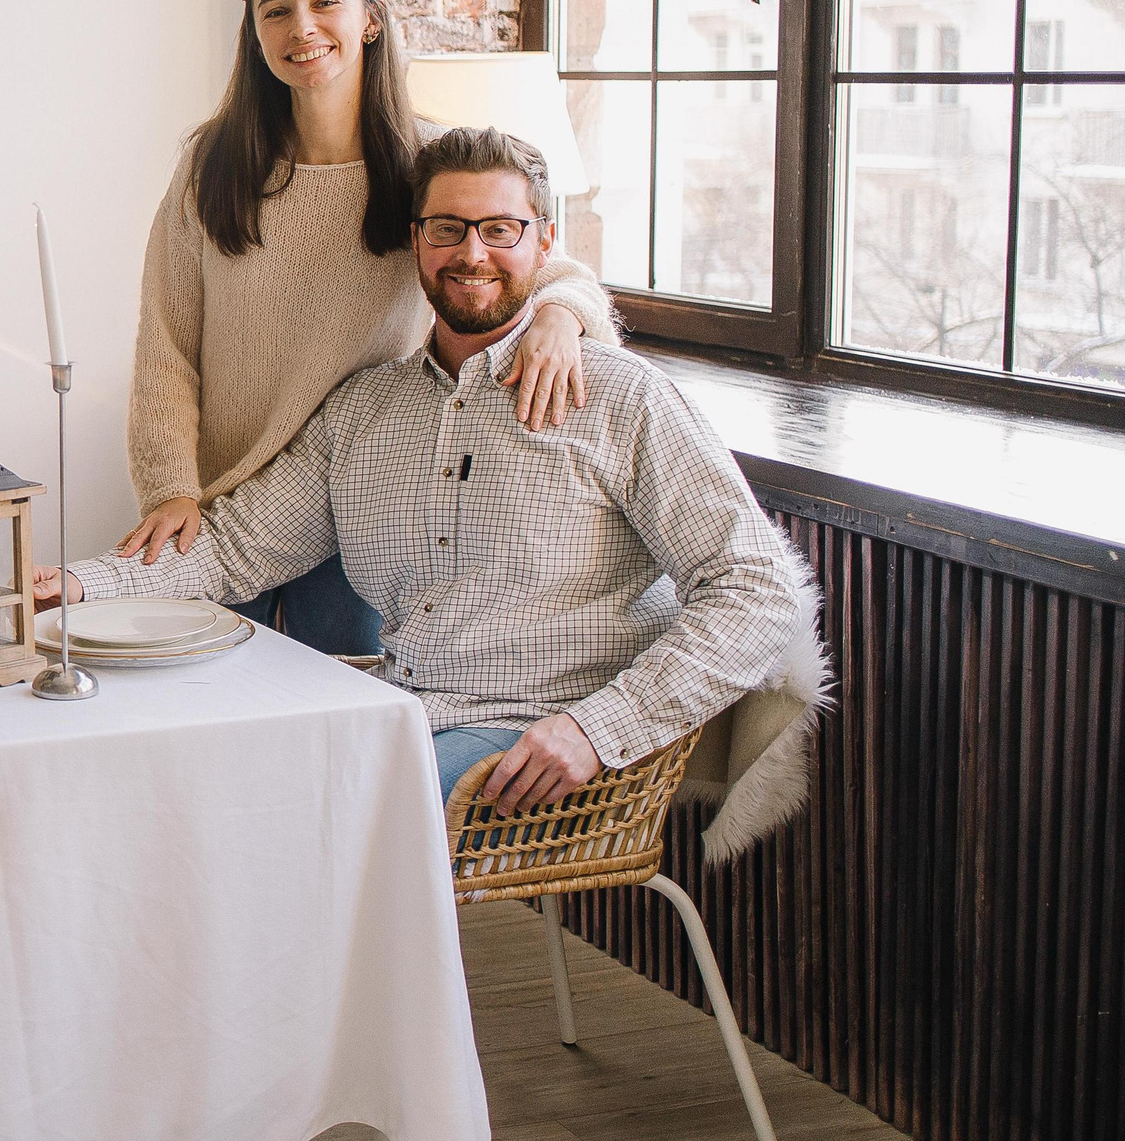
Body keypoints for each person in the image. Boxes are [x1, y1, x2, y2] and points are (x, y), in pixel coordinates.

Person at [41, 126, 804, 814]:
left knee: (297, 827)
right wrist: (77, 585)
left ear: (544, 244)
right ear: (416, 244)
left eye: (500, 229)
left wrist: (599, 729)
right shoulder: (363, 412)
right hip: (396, 711)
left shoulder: (619, 396)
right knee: (181, 787)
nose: (472, 253)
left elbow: (756, 587)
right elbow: (237, 545)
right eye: (448, 228)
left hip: (532, 741)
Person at [119, 0, 620, 657]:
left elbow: (550, 268)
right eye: (276, 8)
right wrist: (169, 488)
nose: (302, 27)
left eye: (325, 2)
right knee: (199, 709)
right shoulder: (212, 163)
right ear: (255, 32)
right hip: (220, 508)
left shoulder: (425, 160)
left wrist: (559, 318)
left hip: (362, 504)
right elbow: (166, 345)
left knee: (349, 719)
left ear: (372, 18)